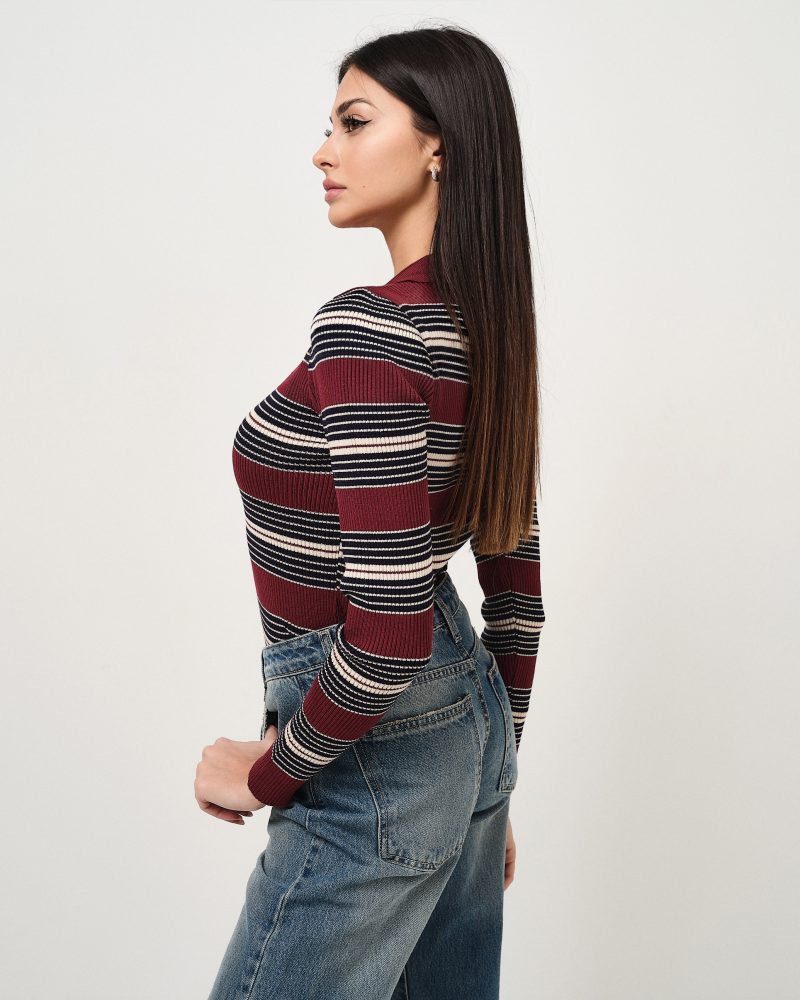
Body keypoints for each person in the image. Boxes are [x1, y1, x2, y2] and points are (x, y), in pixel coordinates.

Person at [196, 24, 545, 1000]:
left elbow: (388, 634)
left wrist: (263, 772)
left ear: (438, 146)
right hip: (461, 734)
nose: (323, 151)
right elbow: (516, 608)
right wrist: (485, 783)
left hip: (373, 744)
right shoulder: (489, 330)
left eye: (353, 123)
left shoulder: (368, 327)